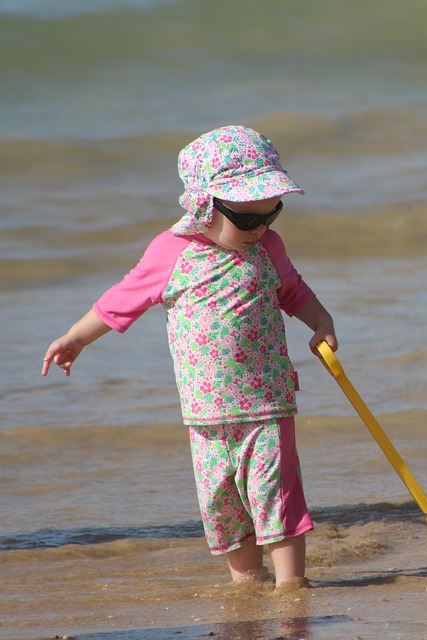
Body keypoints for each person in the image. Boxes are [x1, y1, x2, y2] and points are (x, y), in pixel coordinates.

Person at [41, 126, 337, 589]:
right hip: (204, 411)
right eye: (246, 219)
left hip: (266, 402)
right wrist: (77, 337)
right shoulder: (171, 253)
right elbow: (124, 298)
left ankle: (291, 586)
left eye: (271, 215)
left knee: (275, 496)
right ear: (205, 206)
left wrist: (321, 320)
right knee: (222, 503)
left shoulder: (267, 249)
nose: (259, 228)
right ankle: (246, 582)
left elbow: (293, 291)